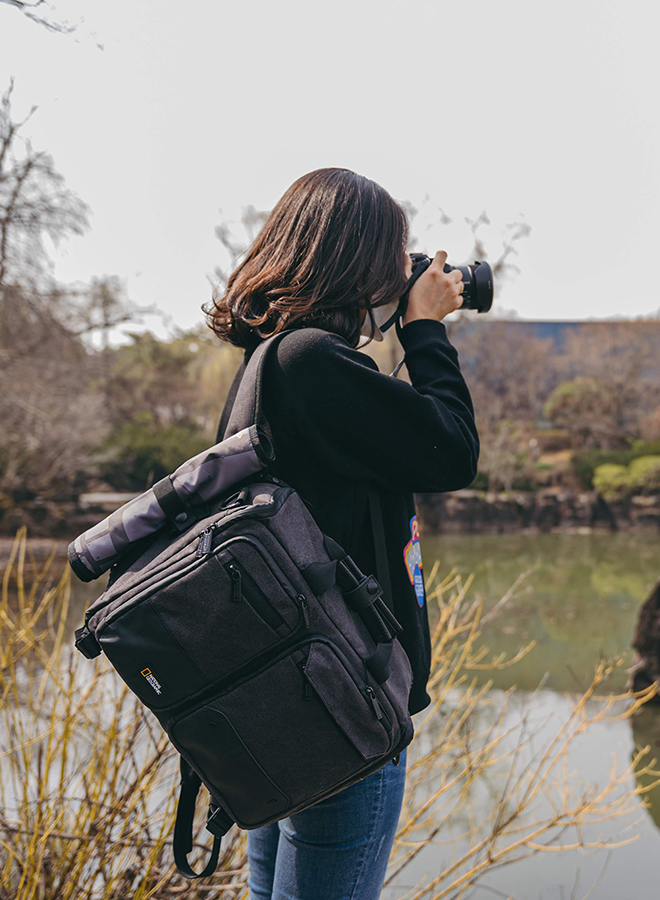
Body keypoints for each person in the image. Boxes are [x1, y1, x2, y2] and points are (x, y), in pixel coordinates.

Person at [206, 168, 479, 900]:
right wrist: (423, 328)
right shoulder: (310, 363)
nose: (406, 269)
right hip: (341, 712)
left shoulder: (276, 364)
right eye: (396, 252)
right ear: (352, 256)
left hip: (291, 700)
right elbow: (453, 451)